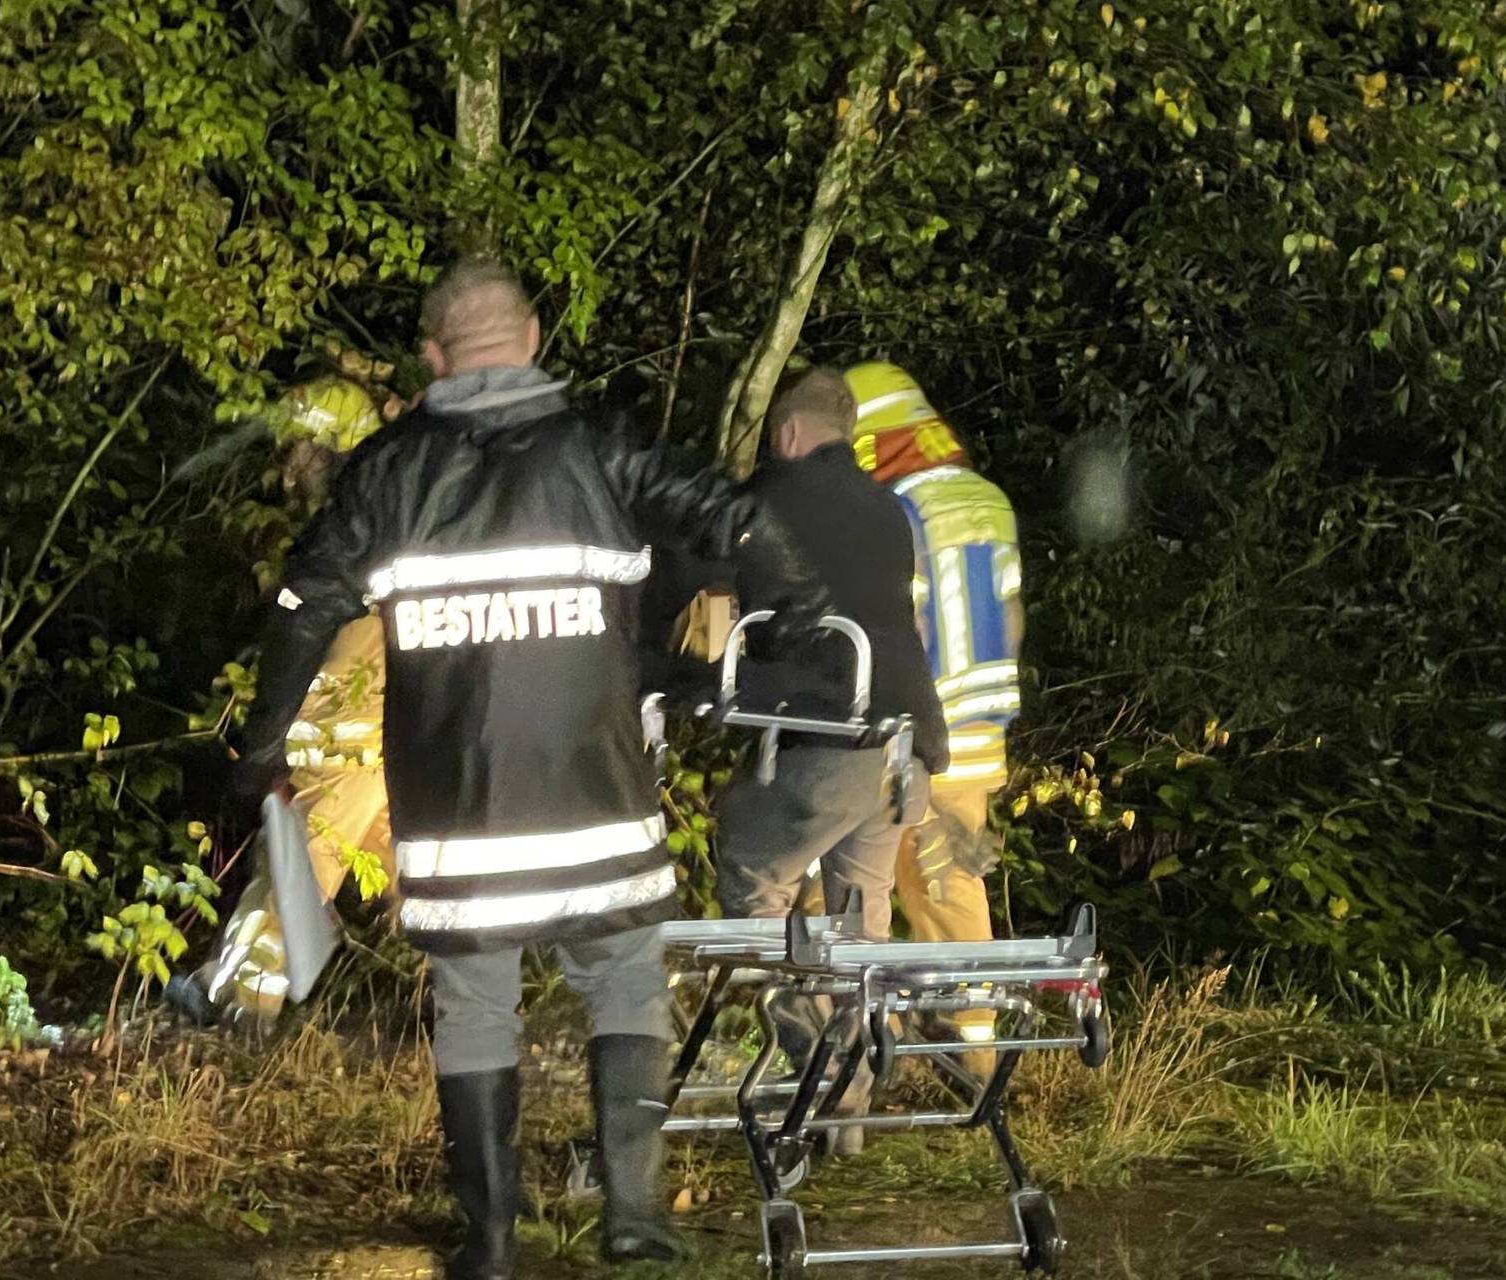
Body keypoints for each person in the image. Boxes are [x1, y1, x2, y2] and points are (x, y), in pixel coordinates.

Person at [219, 261, 829, 1280]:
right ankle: (634, 1216)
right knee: (628, 986)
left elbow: (304, 605)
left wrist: (264, 745)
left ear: (431, 356)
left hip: (463, 813)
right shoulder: (602, 445)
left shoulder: (386, 469)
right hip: (599, 803)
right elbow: (740, 520)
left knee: (474, 1003)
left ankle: (491, 1239)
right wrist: (805, 618)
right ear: (535, 335)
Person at [171, 374, 394, 1029]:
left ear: (329, 444)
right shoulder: (393, 502)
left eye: (300, 446)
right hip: (406, 708)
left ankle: (237, 995)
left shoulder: (355, 518)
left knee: (308, 842)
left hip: (359, 703)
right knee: (416, 861)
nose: (289, 464)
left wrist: (267, 742)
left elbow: (309, 622)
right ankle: (473, 990)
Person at [709, 369, 951, 942]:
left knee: (754, 874)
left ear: (788, 434)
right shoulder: (889, 511)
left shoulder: (763, 503)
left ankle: (795, 1026)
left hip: (826, 742)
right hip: (904, 748)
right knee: (861, 922)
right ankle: (858, 1032)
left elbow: (706, 605)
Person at [843, 362, 1025, 1046]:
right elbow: (1010, 614)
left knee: (869, 881)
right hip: (982, 727)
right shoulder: (988, 498)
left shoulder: (893, 509)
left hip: (916, 732)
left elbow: (905, 624)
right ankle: (965, 1042)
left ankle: (887, 1044)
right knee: (947, 886)